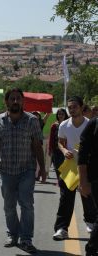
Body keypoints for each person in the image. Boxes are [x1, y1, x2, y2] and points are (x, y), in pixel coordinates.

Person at [0, 88, 46, 254]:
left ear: (23, 101)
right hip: (6, 170)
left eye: (18, 98)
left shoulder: (32, 121)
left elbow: (37, 146)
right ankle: (12, 234)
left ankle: (26, 239)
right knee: (9, 206)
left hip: (27, 169)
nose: (15, 101)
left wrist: (43, 169)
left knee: (27, 204)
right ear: (7, 102)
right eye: (12, 99)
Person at [52, 96, 96, 241]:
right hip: (70, 166)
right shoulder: (64, 125)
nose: (72, 110)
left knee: (87, 196)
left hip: (87, 166)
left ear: (82, 107)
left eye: (75, 107)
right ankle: (61, 228)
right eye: (69, 107)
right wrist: (64, 151)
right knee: (66, 198)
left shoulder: (90, 124)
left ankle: (90, 223)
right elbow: (60, 143)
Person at [77, 116, 98, 256]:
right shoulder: (94, 123)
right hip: (96, 178)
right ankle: (91, 249)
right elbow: (82, 155)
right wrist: (83, 182)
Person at [48, 108, 68, 181]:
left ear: (65, 115)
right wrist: (50, 150)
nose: (60, 115)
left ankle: (64, 182)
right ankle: (60, 181)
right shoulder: (54, 125)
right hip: (56, 151)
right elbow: (51, 139)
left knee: (66, 167)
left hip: (67, 150)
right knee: (57, 167)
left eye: (62, 114)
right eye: (59, 114)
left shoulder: (69, 124)